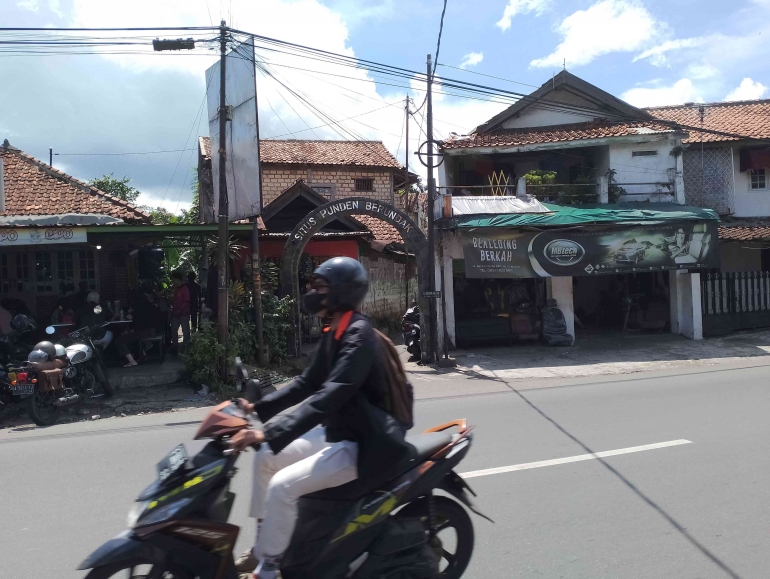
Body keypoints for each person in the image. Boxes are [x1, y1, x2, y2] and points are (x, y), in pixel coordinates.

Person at [229, 257, 412, 578]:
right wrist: (256, 410)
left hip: (364, 443)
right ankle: (262, 548)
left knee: (282, 487)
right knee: (265, 458)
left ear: (342, 292)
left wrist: (267, 433)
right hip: (339, 433)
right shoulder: (336, 331)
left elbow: (331, 395)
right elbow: (307, 384)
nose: (312, 293)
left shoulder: (359, 336)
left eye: (320, 287)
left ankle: (270, 569)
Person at [169, 272, 191, 354]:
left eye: (173, 280)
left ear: (177, 279)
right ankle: (174, 346)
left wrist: (179, 311)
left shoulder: (185, 289)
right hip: (176, 314)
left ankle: (186, 348)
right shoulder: (176, 289)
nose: (173, 281)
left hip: (184, 314)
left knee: (185, 331)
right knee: (173, 330)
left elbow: (186, 302)